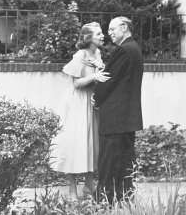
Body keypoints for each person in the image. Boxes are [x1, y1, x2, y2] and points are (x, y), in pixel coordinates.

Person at [51, 22, 110, 200]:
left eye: (102, 33)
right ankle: (72, 188)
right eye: (98, 34)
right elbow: (76, 83)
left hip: (91, 101)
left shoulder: (97, 53)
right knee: (75, 142)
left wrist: (100, 68)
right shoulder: (80, 55)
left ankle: (89, 186)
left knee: (91, 142)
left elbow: (100, 75)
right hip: (77, 103)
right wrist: (94, 75)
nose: (102, 36)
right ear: (88, 38)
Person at [94, 16, 143, 203]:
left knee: (109, 165)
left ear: (124, 27)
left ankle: (104, 204)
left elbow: (108, 79)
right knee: (124, 166)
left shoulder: (123, 50)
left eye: (113, 29)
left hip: (115, 119)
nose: (110, 33)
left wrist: (96, 98)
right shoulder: (135, 49)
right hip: (126, 119)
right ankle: (124, 202)